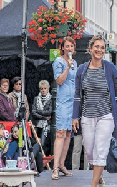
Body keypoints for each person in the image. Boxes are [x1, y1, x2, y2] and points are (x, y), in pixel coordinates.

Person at [72, 34, 117, 187]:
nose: (99, 49)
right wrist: (74, 117)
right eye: (96, 47)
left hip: (106, 115)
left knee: (101, 148)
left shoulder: (109, 68)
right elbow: (77, 95)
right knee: (90, 151)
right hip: (87, 116)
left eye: (102, 47)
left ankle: (93, 184)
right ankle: (99, 176)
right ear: (90, 49)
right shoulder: (81, 70)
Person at [52, 36, 77, 180]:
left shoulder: (76, 62)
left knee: (68, 133)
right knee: (60, 133)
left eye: (71, 46)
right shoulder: (59, 62)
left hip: (72, 102)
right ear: (62, 48)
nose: (69, 49)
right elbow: (60, 81)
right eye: (67, 46)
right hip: (63, 101)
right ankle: (55, 168)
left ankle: (62, 164)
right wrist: (67, 66)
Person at [31, 80, 52, 149]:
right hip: (36, 123)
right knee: (35, 142)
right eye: (41, 88)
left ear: (48, 89)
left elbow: (49, 112)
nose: (43, 90)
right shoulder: (36, 98)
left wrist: (39, 111)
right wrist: (44, 117)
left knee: (42, 143)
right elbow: (33, 112)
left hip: (46, 125)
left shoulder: (51, 99)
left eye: (45, 88)